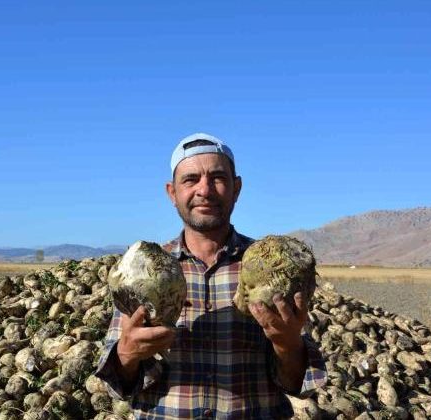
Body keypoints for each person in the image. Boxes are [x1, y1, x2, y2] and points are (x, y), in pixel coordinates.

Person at [95, 133, 326, 419]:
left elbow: (298, 385)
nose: (205, 190)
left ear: (236, 188)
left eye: (217, 177)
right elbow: (117, 384)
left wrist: (288, 345)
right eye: (191, 179)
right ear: (172, 192)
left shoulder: (274, 268)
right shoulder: (142, 271)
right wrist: (127, 353)